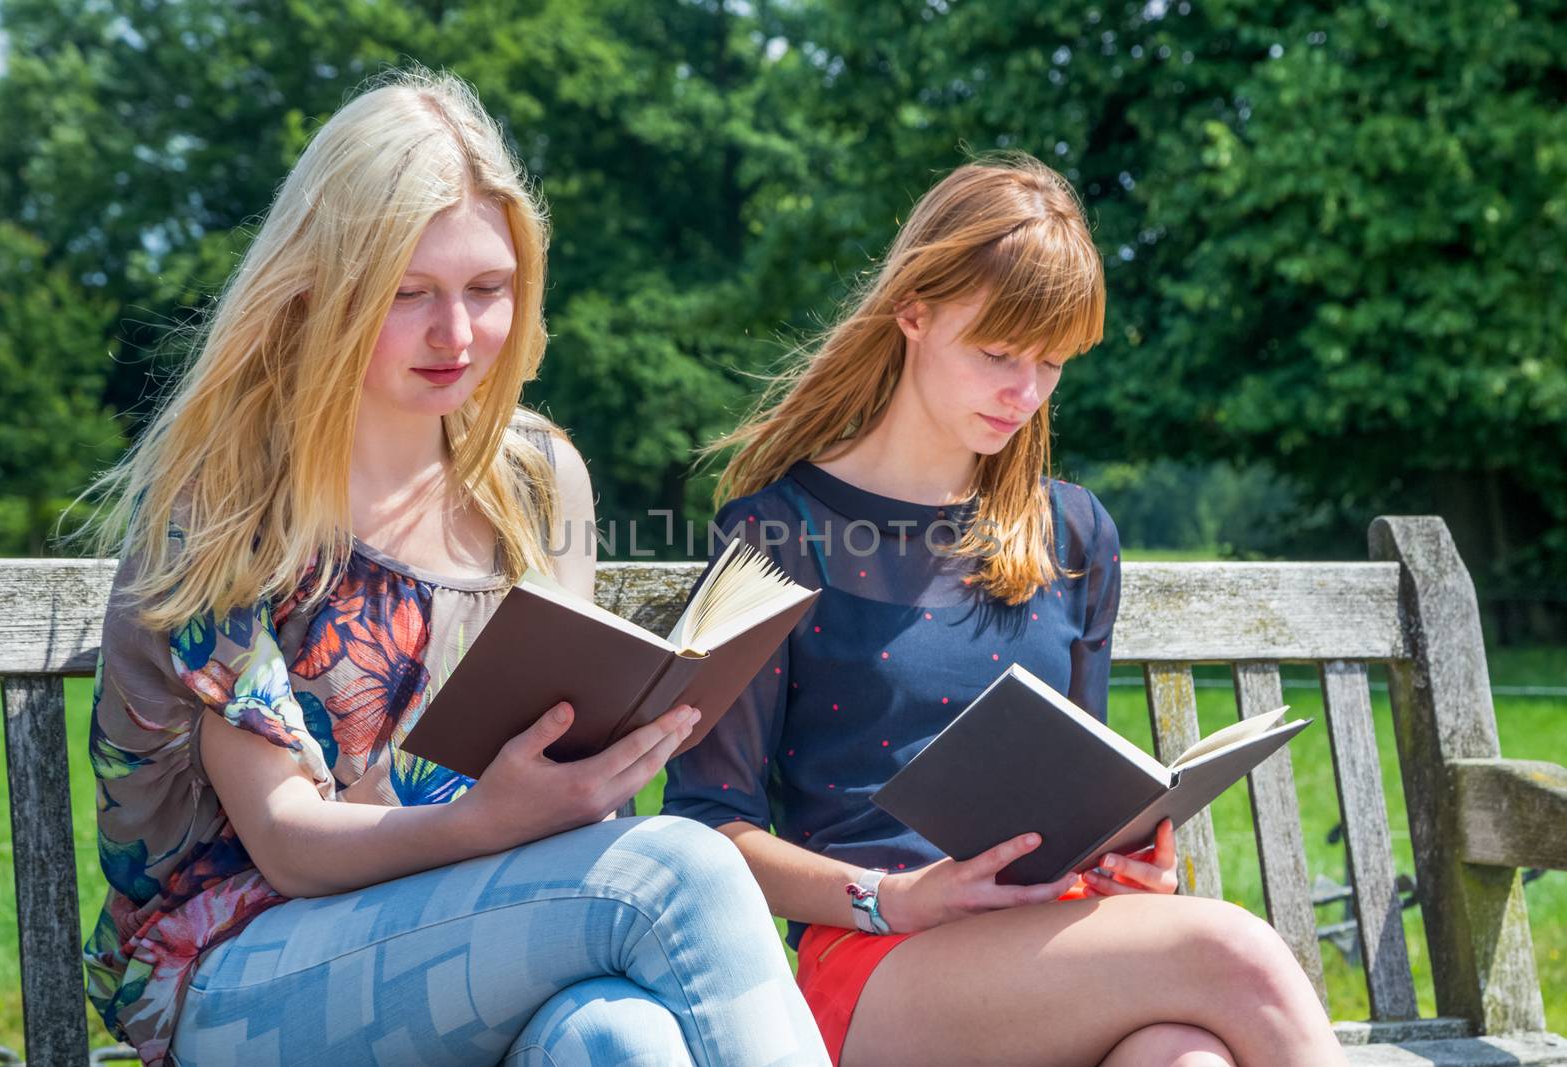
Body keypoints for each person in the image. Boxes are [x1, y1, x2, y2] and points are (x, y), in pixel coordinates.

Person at [78, 70, 828, 1067]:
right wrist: (489, 819)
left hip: (483, 930)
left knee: (621, 1039)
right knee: (679, 869)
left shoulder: (535, 476)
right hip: (245, 973)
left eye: (487, 289)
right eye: (410, 294)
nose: (459, 335)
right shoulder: (225, 501)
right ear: (322, 287)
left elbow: (558, 754)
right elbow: (289, 839)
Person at [663, 157, 1346, 1067]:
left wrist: (1127, 859)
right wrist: (892, 896)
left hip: (1053, 948)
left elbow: (1081, 791)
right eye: (998, 354)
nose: (1025, 394)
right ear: (914, 311)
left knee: (1184, 1060)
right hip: (876, 962)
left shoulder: (1073, 533)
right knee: (1234, 951)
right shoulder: (781, 531)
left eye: (1051, 363)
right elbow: (707, 827)